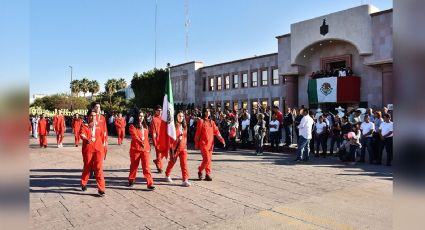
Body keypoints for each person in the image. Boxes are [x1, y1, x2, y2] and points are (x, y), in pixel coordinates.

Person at [79, 110, 107, 196]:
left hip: (98, 150)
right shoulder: (84, 125)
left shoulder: (100, 125)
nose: (93, 117)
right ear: (88, 116)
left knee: (99, 168)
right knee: (87, 167)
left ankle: (101, 189)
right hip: (88, 149)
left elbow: (103, 137)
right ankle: (83, 183)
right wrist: (86, 139)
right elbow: (82, 134)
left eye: (94, 116)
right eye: (91, 115)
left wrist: (104, 148)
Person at [194, 108, 225, 181]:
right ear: (204, 112)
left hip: (210, 144)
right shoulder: (201, 121)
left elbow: (217, 132)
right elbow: (197, 134)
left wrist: (222, 140)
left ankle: (207, 174)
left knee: (209, 160)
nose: (208, 113)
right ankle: (200, 170)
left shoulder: (212, 122)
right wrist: (196, 143)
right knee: (206, 159)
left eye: (208, 111)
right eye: (206, 111)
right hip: (203, 144)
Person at [127, 111, 155, 190]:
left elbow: (146, 138)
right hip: (136, 149)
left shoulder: (145, 126)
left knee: (146, 167)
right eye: (139, 116)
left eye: (142, 116)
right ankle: (131, 180)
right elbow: (135, 136)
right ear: (137, 117)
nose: (141, 118)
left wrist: (149, 146)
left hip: (145, 149)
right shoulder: (132, 126)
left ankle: (150, 183)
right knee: (134, 166)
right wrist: (140, 142)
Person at [165, 111, 191, 187]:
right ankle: (167, 174)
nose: (181, 118)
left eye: (182, 116)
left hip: (183, 148)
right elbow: (170, 137)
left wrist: (185, 145)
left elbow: (185, 137)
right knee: (172, 162)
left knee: (184, 163)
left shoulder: (184, 126)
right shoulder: (172, 126)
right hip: (175, 147)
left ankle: (185, 180)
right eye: (179, 116)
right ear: (176, 116)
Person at [150, 105, 166, 173]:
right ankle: (160, 167)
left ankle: (157, 161)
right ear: (155, 111)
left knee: (164, 153)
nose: (159, 112)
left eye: (160, 110)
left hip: (164, 139)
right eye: (158, 110)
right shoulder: (154, 119)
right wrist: (154, 141)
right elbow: (153, 131)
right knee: (159, 154)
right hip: (158, 139)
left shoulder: (163, 118)